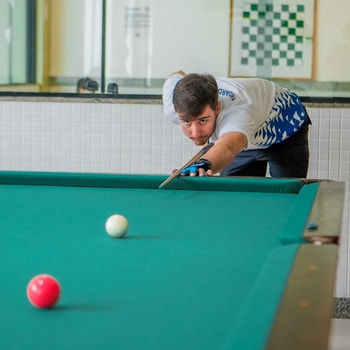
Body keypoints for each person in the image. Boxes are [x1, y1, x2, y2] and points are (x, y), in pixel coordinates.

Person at [162, 71, 311, 178]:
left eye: (202, 120)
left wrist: (204, 164)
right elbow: (177, 74)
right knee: (235, 197)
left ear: (217, 108)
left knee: (285, 195)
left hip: (284, 126)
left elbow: (228, 147)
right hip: (238, 135)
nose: (195, 133)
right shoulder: (174, 105)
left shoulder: (238, 113)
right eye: (187, 122)